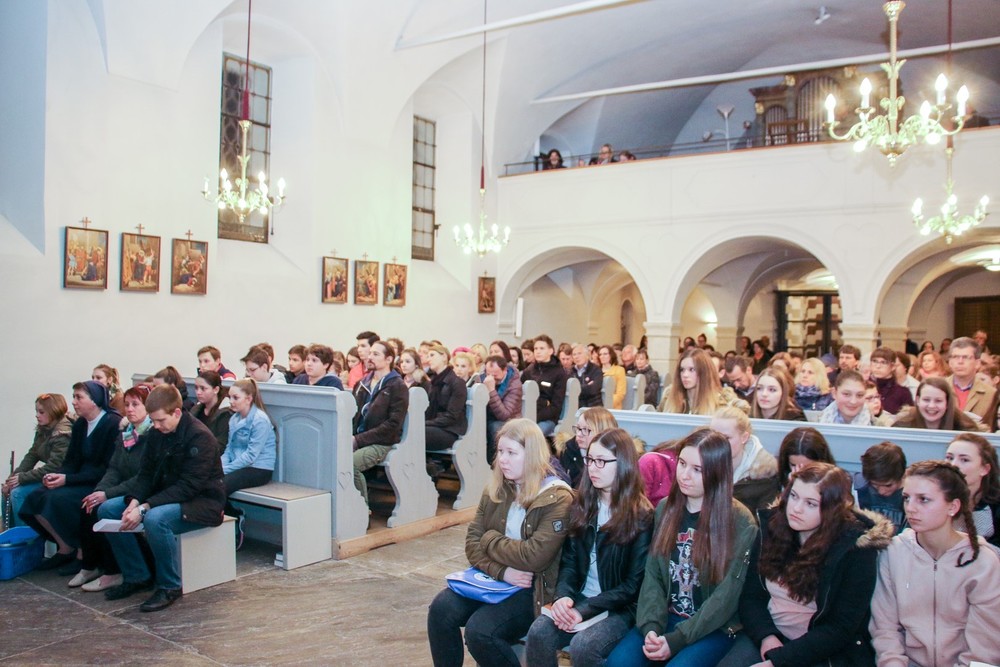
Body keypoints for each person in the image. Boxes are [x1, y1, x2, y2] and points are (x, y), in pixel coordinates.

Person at [426, 419, 573, 667]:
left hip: (534, 588)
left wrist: (490, 539)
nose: (503, 460)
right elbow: (472, 544)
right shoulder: (497, 487)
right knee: (441, 609)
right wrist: (502, 571)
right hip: (499, 578)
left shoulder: (557, 497)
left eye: (511, 453)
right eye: (500, 451)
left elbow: (534, 557)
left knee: (481, 632)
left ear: (532, 455)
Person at [606, 429, 758, 667]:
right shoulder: (666, 508)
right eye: (682, 463)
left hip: (713, 626)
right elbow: (653, 575)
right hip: (667, 616)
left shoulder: (740, 521)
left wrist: (677, 639)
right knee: (619, 663)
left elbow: (726, 597)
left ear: (717, 473)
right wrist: (651, 627)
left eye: (697, 470)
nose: (685, 475)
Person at [718, 462, 892, 667]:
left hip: (821, 649)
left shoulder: (855, 550)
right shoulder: (772, 527)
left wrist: (779, 660)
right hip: (769, 633)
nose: (796, 508)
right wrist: (767, 636)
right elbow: (751, 596)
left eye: (811, 503)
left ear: (832, 509)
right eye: (794, 496)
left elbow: (840, 628)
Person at [525, 429, 654, 667]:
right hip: (581, 597)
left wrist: (583, 610)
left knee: (584, 646)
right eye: (590, 460)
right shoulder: (583, 503)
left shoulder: (641, 515)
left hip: (620, 607)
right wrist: (563, 597)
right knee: (539, 632)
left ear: (623, 464)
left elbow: (632, 586)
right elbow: (569, 562)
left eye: (601, 461)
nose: (593, 468)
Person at [96, 384, 226, 612]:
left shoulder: (200, 437)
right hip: (166, 495)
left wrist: (144, 507)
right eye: (153, 421)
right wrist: (135, 501)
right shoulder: (158, 432)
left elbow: (188, 487)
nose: (155, 426)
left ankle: (169, 585)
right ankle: (136, 575)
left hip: (202, 502)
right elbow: (146, 475)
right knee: (107, 509)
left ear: (176, 412)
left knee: (155, 519)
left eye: (160, 420)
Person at [869, 461, 1000, 667]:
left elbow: (985, 646)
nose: (910, 508)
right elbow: (885, 629)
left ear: (953, 506)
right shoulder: (893, 552)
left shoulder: (983, 561)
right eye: (906, 498)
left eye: (924, 500)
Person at [20, 381, 121, 572]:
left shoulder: (112, 424)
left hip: (99, 482)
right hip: (78, 477)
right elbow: (71, 461)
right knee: (35, 497)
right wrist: (57, 475)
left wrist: (67, 480)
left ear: (94, 401)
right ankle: (65, 547)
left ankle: (83, 552)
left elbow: (107, 468)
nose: (73, 402)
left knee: (60, 499)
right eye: (74, 397)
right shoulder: (81, 424)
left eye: (79, 397)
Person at [75, 384, 154, 591]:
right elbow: (114, 469)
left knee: (107, 509)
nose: (129, 409)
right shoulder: (126, 433)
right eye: (126, 404)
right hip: (125, 488)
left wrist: (107, 494)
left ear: (148, 407)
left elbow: (143, 477)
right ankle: (92, 566)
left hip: (144, 490)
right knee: (89, 505)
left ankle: (121, 571)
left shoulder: (153, 434)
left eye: (135, 404)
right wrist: (99, 491)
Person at [2, 393, 72, 527]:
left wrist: (22, 478)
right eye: (36, 411)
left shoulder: (63, 434)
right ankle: (10, 532)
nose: (37, 415)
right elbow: (32, 455)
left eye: (41, 412)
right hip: (46, 476)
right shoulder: (43, 430)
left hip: (59, 479)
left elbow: (54, 467)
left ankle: (25, 535)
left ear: (53, 412)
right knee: (7, 491)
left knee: (17, 494)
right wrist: (12, 478)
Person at [352, 340, 408, 506]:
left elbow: (393, 424)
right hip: (359, 438)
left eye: (376, 354)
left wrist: (358, 440)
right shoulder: (362, 383)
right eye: (370, 353)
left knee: (350, 465)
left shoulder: (397, 385)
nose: (370, 357)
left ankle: (361, 509)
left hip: (382, 442)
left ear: (389, 359)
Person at [223, 379, 276, 547]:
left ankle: (233, 522)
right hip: (239, 466)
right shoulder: (234, 419)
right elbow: (229, 448)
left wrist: (225, 469)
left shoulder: (260, 420)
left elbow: (251, 455)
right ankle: (231, 516)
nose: (231, 401)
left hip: (259, 469)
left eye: (235, 397)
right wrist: (219, 466)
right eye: (230, 397)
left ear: (248, 398)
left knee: (220, 486)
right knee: (208, 481)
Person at [711, 407, 781, 513]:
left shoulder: (765, 478)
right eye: (712, 436)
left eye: (726, 438)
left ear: (744, 438)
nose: (717, 443)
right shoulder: (698, 465)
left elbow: (764, 520)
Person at [945, 433, 1000, 552]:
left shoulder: (996, 506)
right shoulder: (935, 496)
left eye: (964, 460)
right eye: (949, 458)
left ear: (984, 469)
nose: (953, 465)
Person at [659, 348, 748, 416]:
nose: (685, 375)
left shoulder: (723, 400)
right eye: (682, 370)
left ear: (704, 372)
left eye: (692, 369)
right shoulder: (669, 397)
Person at [892, 377, 983, 432]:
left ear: (947, 403)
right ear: (918, 400)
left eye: (938, 401)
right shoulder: (902, 426)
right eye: (926, 400)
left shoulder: (964, 427)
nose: (931, 406)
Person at [853, 441, 907, 534]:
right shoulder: (857, 490)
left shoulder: (913, 494)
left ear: (902, 476)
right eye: (874, 485)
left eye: (888, 485)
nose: (881, 491)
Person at [947, 336, 999, 431]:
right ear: (949, 362)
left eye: (966, 357)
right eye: (955, 357)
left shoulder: (991, 393)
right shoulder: (938, 388)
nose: (960, 362)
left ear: (977, 363)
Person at [424, 344, 468, 451]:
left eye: (432, 355)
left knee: (415, 432)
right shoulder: (433, 383)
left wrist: (425, 423)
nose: (428, 359)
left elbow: (451, 416)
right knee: (407, 429)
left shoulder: (457, 383)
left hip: (450, 430)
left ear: (444, 357)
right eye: (428, 356)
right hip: (435, 426)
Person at [521, 335, 567, 437]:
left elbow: (556, 406)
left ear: (550, 351)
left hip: (547, 419)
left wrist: (534, 417)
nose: (538, 351)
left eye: (542, 348)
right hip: (526, 415)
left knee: (532, 435)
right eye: (536, 348)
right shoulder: (529, 370)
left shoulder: (559, 373)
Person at [561, 407, 618, 489]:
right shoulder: (568, 451)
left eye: (586, 430)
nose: (579, 434)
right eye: (578, 428)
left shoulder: (615, 458)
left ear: (602, 433)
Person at [481, 355, 522, 464]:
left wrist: (491, 390)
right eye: (488, 374)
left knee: (495, 428)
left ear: (504, 370)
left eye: (495, 375)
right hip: (487, 417)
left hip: (507, 420)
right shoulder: (481, 378)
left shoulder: (514, 385)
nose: (491, 378)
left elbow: (504, 415)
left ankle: (492, 464)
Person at [190, 370, 231, 451]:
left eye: (203, 388)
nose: (198, 392)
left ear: (216, 390)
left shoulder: (225, 414)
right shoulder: (195, 410)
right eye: (196, 388)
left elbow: (221, 444)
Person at [869, 347, 913, 416]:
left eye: (883, 362)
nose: (878, 366)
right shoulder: (864, 388)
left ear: (893, 366)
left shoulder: (903, 393)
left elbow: (909, 418)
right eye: (875, 361)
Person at [571, 343, 605, 408]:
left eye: (579, 353)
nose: (576, 357)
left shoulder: (596, 370)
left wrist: (576, 389)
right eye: (574, 354)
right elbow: (569, 391)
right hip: (575, 408)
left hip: (593, 408)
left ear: (587, 355)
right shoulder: (570, 371)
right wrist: (586, 386)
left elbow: (593, 389)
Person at [600, 345, 627, 410]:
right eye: (600, 354)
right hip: (597, 406)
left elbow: (620, 394)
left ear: (611, 355)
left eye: (605, 354)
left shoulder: (619, 370)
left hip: (613, 407)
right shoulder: (596, 371)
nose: (602, 356)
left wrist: (607, 404)